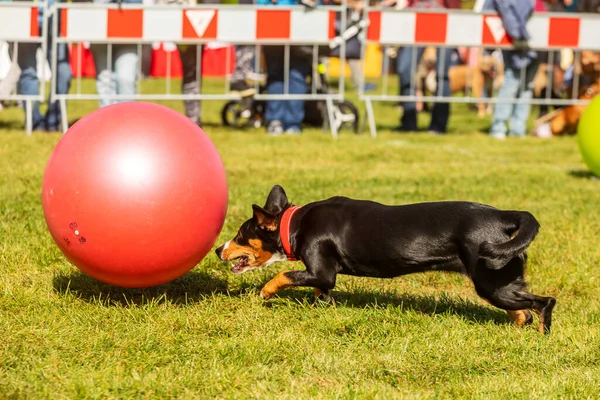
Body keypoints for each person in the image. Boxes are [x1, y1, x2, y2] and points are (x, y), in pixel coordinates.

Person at [392, 0, 461, 134]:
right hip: (415, 19)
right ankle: (409, 121)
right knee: (405, 68)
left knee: (442, 74)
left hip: (444, 19)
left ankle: (438, 125)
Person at [256, 0, 313, 135]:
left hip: (302, 24)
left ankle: (293, 123)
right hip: (272, 21)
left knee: (297, 76)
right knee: (276, 75)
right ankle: (275, 120)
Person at [484, 0, 538, 139]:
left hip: (535, 40)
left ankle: (518, 129)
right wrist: (516, 32)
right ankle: (499, 127)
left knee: (527, 85)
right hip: (514, 38)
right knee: (511, 82)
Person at [16, 0, 72, 131]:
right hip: (26, 14)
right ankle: (34, 122)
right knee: (28, 72)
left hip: (56, 18)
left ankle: (53, 120)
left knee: (63, 73)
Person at [91, 0, 142, 108]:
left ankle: (127, 118)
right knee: (104, 79)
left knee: (125, 79)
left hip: (130, 20)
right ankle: (106, 119)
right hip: (97, 20)